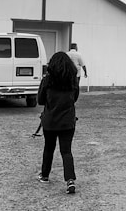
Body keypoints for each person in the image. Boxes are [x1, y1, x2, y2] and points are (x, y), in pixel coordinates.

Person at [37, 52, 80, 194]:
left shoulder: (47, 80)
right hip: (67, 121)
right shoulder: (73, 80)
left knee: (49, 148)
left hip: (50, 120)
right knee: (66, 151)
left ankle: (44, 176)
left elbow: (41, 100)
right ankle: (70, 180)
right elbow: (75, 98)